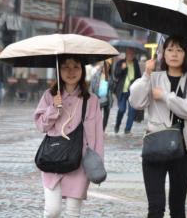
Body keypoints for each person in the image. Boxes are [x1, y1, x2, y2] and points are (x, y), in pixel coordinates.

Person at [129, 35, 187, 218]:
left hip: (183, 150)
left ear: (186, 54)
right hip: (155, 146)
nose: (174, 54)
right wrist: (146, 74)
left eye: (180, 50)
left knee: (178, 209)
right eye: (170, 49)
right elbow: (136, 102)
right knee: (155, 208)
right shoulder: (153, 78)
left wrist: (164, 96)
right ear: (163, 53)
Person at [34, 54, 104, 217]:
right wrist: (53, 108)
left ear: (82, 70)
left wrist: (97, 164)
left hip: (79, 163)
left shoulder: (91, 100)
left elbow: (98, 135)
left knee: (73, 213)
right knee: (52, 211)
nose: (71, 71)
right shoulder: (49, 95)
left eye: (76, 67)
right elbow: (41, 126)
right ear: (59, 70)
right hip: (53, 160)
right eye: (66, 67)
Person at [114, 47, 141, 135]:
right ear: (126, 54)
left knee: (132, 111)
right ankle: (117, 124)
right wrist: (121, 68)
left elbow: (139, 76)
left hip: (132, 92)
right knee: (121, 109)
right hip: (122, 91)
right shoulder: (120, 63)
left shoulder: (135, 63)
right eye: (130, 53)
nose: (132, 55)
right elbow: (116, 74)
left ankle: (127, 130)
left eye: (133, 53)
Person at [90, 61, 115, 136]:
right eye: (105, 67)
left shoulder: (110, 77)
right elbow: (92, 86)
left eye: (108, 67)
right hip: (97, 98)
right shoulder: (96, 76)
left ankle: (103, 129)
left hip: (107, 99)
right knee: (98, 115)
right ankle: (97, 129)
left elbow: (113, 87)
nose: (106, 69)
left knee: (106, 115)